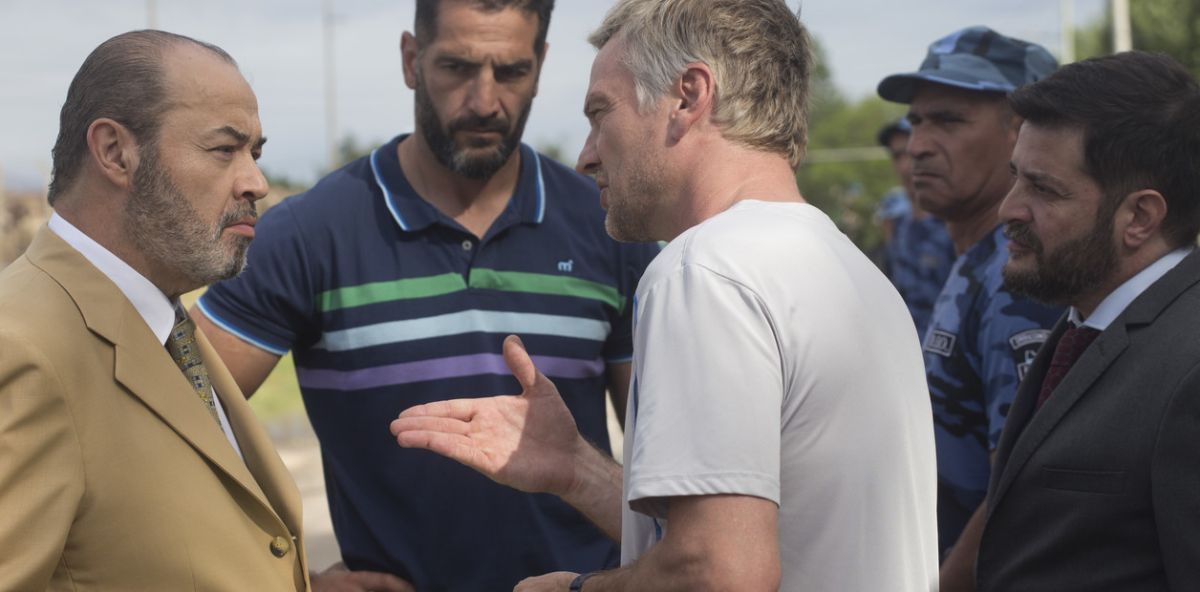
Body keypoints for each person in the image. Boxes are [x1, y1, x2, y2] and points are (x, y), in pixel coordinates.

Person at [392, 0, 940, 590]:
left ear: (688, 95)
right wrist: (576, 468)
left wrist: (574, 590)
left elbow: (717, 570)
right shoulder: (856, 276)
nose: (586, 155)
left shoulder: (703, 271)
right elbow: (766, 534)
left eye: (601, 114)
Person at [193, 0, 659, 589]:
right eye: (458, 68)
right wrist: (290, 581)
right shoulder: (309, 236)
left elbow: (671, 497)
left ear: (540, 66)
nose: (485, 100)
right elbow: (165, 433)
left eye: (511, 71)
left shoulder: (612, 228)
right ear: (412, 60)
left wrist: (581, 479)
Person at [0, 31, 309, 590]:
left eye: (255, 152)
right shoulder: (20, 349)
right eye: (224, 149)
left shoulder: (166, 325)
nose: (256, 182)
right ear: (116, 152)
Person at [977, 51, 1200, 591]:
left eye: (1044, 189)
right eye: (1015, 178)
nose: (1009, 208)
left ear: (1140, 217)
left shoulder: (1190, 364)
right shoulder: (1082, 328)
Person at [877, 26, 1065, 589]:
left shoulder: (1023, 278)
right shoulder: (980, 259)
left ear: (1023, 134)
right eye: (917, 121)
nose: (918, 146)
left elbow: (1024, 485)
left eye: (949, 121)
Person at [876, 118, 956, 337]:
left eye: (910, 154)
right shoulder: (900, 226)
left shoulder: (954, 223)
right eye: (897, 156)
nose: (904, 166)